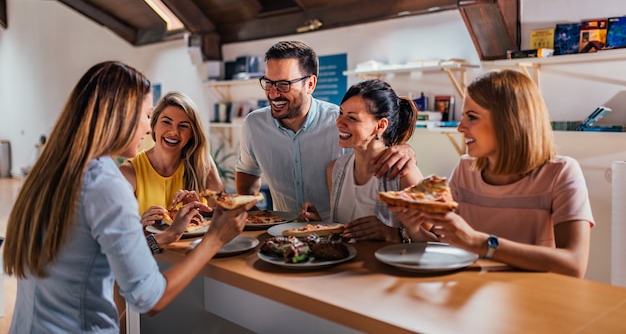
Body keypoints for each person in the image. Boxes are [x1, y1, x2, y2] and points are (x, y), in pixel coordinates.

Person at [2, 61, 255, 333]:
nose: (149, 128)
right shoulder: (107, 185)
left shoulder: (52, 171)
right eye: (148, 116)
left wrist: (166, 236)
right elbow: (150, 299)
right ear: (121, 116)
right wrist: (215, 238)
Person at [391, 69, 594, 278]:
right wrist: (415, 230)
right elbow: (452, 250)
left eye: (472, 117)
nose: (460, 127)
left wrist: (480, 243)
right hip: (474, 296)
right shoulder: (465, 169)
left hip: (535, 300)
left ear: (509, 121)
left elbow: (574, 264)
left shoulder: (561, 173)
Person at [235, 41, 416, 221]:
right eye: (268, 83)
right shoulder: (254, 124)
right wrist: (259, 221)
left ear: (310, 84)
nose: (273, 94)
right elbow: (247, 177)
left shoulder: (339, 123)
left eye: (283, 84)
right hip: (281, 235)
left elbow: (376, 145)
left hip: (333, 237)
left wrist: (405, 148)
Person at [302, 79, 424, 241]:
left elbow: (427, 242)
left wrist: (392, 233)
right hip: (344, 265)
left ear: (380, 126)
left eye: (352, 118)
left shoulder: (405, 175)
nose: (339, 122)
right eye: (341, 113)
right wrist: (321, 225)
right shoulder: (335, 170)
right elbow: (344, 231)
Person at [119, 91, 224, 247]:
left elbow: (225, 219)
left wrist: (203, 212)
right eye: (166, 122)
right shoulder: (129, 172)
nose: (174, 132)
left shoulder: (203, 164)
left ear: (192, 134)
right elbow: (117, 243)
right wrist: (139, 227)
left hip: (196, 259)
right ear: (153, 125)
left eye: (183, 126)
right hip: (151, 262)